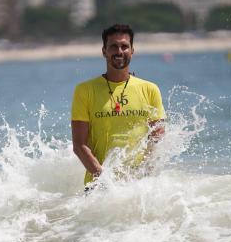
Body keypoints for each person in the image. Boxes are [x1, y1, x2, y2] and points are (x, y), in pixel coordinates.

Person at [71, 24, 166, 188]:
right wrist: (105, 181)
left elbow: (157, 138)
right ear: (104, 51)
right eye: (113, 46)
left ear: (132, 50)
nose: (119, 51)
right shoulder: (84, 91)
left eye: (124, 46)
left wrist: (143, 175)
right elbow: (79, 145)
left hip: (140, 187)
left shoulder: (150, 90)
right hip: (98, 187)